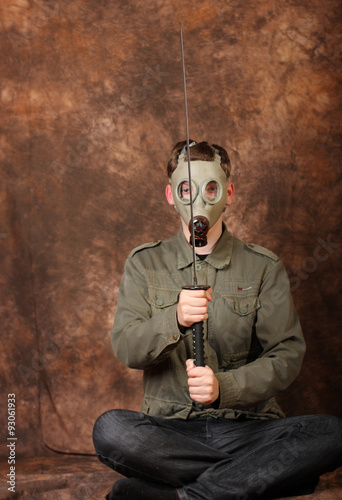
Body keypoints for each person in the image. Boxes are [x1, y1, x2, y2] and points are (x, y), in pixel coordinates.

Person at [93, 140, 342, 500]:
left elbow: (287, 355)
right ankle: (261, 476)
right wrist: (173, 319)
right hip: (169, 430)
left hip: (247, 430)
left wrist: (225, 387)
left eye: (211, 188)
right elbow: (127, 347)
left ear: (229, 192)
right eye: (186, 189)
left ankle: (181, 495)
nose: (200, 199)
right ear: (169, 194)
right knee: (110, 430)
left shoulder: (262, 267)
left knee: (331, 434)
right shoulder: (144, 264)